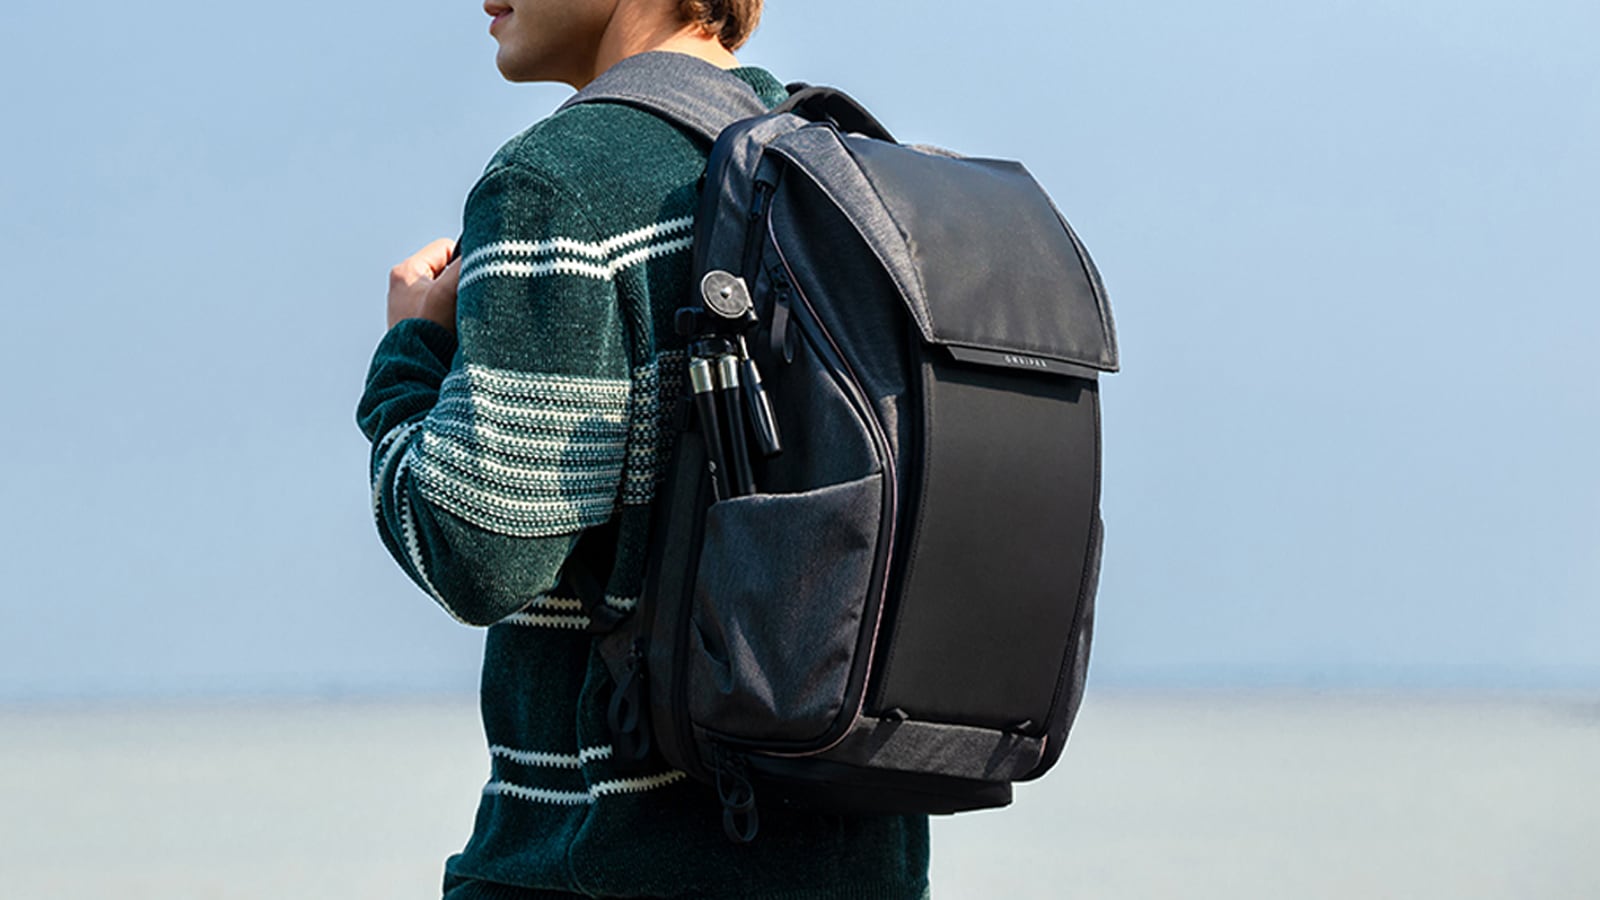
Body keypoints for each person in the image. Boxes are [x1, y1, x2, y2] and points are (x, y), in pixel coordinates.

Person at [355, 1, 931, 897]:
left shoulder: (559, 186)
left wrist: (409, 355)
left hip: (607, 867)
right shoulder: (851, 178)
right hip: (859, 865)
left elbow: (480, 555)